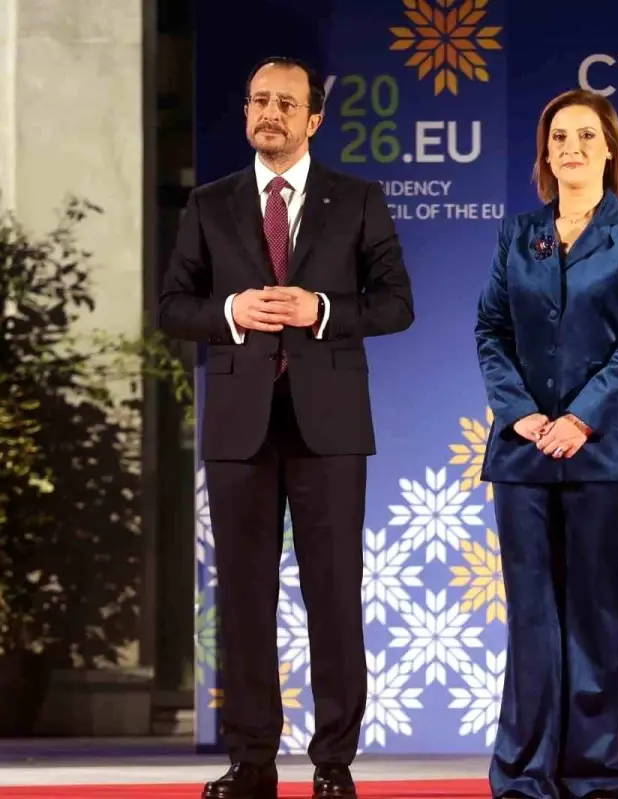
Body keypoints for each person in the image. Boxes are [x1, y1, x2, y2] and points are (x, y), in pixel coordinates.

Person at [158, 56, 414, 799]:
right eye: (259, 100)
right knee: (242, 597)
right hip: (239, 427)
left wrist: (322, 310)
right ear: (246, 112)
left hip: (328, 426)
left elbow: (397, 303)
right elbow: (173, 306)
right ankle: (252, 759)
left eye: (286, 103)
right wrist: (231, 311)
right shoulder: (210, 203)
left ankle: (333, 763)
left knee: (333, 594)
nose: (270, 112)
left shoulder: (357, 199)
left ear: (314, 119)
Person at [474, 88, 618, 799]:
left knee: (596, 622)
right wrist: (521, 414)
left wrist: (582, 418)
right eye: (559, 136)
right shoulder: (517, 233)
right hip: (523, 456)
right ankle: (523, 777)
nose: (572, 148)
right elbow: (491, 330)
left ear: (610, 149)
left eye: (587, 135)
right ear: (545, 152)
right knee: (531, 623)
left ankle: (597, 777)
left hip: (608, 454)